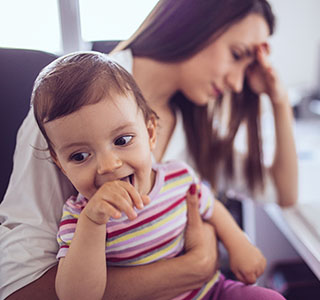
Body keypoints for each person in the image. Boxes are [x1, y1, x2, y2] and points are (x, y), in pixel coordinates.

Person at [0, 0, 297, 299]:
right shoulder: (68, 109)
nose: (236, 83)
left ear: (150, 131)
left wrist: (279, 99)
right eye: (236, 55)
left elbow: (281, 192)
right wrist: (194, 266)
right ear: (195, 23)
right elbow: (17, 285)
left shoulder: (191, 120)